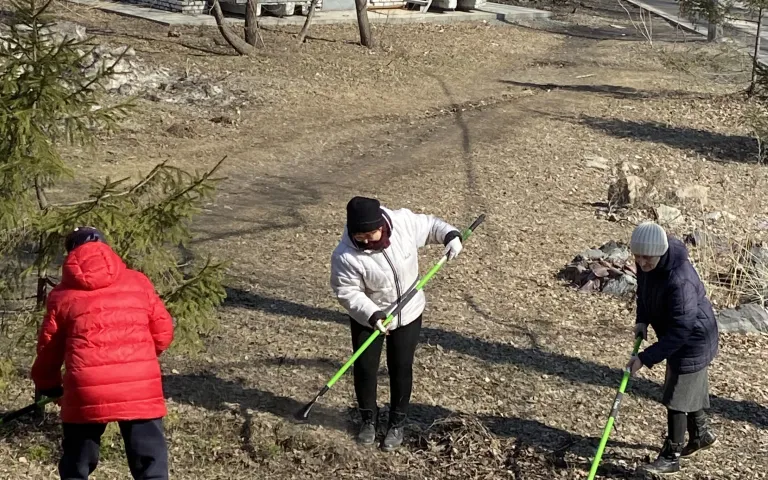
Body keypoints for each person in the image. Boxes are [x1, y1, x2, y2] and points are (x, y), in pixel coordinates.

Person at [31, 226, 175, 480]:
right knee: (151, 467)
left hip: (86, 388)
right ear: (106, 246)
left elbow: (49, 350)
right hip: (139, 385)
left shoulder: (62, 295)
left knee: (77, 463)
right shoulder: (138, 281)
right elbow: (163, 333)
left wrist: (50, 387)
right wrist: (139, 359)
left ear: (71, 253)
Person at [330, 196, 463, 451]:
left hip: (408, 313)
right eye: (359, 236)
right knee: (365, 368)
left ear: (381, 225)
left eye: (370, 234)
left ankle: (396, 423)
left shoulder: (402, 223)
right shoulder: (345, 255)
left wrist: (450, 236)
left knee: (401, 367)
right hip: (369, 317)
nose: (365, 241)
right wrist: (373, 314)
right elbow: (347, 291)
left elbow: (431, 226)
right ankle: (368, 419)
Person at [625, 222, 719, 475]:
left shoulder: (680, 280)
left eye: (646, 257)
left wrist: (645, 358)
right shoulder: (647, 262)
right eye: (637, 256)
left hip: (693, 340)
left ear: (660, 252)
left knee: (676, 397)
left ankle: (671, 456)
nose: (641, 262)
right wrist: (642, 320)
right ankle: (701, 434)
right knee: (687, 390)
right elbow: (644, 292)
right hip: (677, 336)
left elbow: (681, 330)